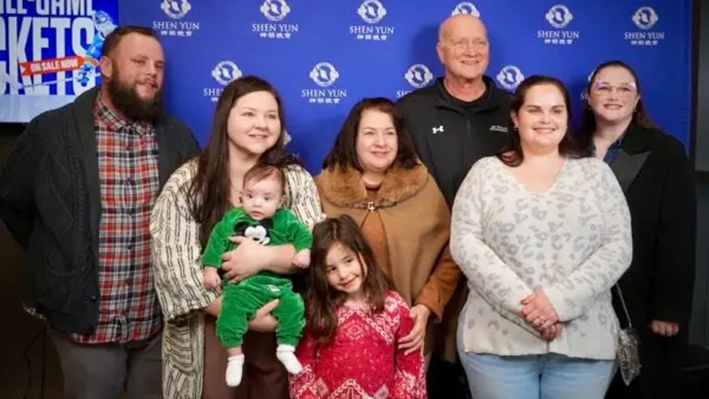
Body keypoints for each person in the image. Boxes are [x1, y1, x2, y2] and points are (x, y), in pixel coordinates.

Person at [0, 25, 199, 399]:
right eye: (139, 61)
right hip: (86, 327)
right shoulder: (51, 132)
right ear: (105, 66)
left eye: (158, 65)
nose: (151, 73)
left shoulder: (178, 137)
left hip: (157, 325)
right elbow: (12, 200)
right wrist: (56, 255)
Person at [450, 75, 633, 399]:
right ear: (515, 117)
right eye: (534, 110)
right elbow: (466, 243)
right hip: (496, 345)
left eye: (556, 110)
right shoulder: (485, 173)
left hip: (583, 345)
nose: (546, 119)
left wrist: (558, 304)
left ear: (567, 117)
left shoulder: (596, 174)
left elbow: (617, 247)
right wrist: (528, 308)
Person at [150, 75, 324, 399]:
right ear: (224, 118)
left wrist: (265, 257)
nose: (262, 124)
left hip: (278, 321)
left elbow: (318, 249)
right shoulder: (190, 182)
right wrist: (242, 315)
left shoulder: (295, 180)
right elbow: (176, 270)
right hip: (212, 327)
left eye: (271, 116)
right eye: (249, 114)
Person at [396, 14, 512, 396]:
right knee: (430, 370)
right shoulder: (411, 110)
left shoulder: (516, 110)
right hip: (428, 261)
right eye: (460, 42)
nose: (471, 51)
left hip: (499, 264)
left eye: (479, 42)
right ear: (440, 51)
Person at [575, 60, 696, 399]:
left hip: (641, 300)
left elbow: (679, 236)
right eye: (603, 87)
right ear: (587, 96)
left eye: (624, 88)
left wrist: (669, 308)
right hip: (579, 299)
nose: (614, 95)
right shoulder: (568, 148)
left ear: (638, 97)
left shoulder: (666, 152)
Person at [315, 97, 460, 364]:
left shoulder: (423, 188)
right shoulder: (322, 190)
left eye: (389, 133)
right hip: (336, 336)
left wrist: (427, 306)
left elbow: (452, 253)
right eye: (370, 133)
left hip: (407, 334)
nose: (381, 142)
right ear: (352, 139)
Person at [289, 215, 427, 399]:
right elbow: (302, 363)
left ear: (364, 254)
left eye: (348, 261)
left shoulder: (394, 307)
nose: (344, 274)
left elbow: (409, 366)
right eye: (331, 269)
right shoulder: (318, 310)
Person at [201, 164, 312, 387]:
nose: (257, 203)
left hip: (276, 286)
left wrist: (304, 251)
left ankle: (286, 347)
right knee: (230, 311)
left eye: (266, 198)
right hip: (241, 286)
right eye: (250, 196)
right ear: (241, 197)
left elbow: (303, 235)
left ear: (281, 201)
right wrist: (210, 269)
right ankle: (234, 355)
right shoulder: (232, 219)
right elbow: (216, 241)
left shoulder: (286, 220)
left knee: (295, 306)